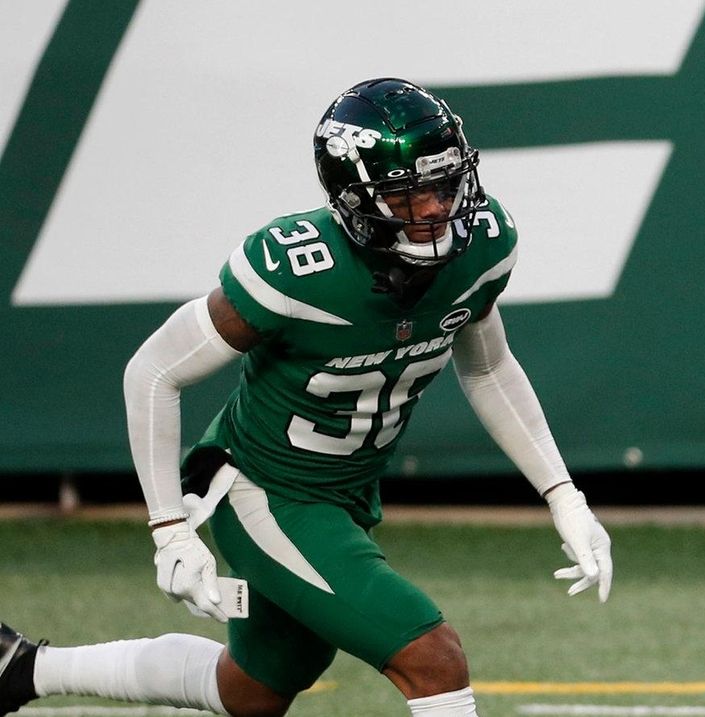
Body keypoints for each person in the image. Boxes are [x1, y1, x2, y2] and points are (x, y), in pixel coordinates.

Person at [0, 78, 613, 717]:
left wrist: (564, 496)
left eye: (444, 184)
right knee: (432, 658)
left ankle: (22, 670)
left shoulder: (480, 247)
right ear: (354, 198)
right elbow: (153, 372)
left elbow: (487, 369)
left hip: (346, 492)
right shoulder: (295, 269)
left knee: (254, 689)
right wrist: (169, 530)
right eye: (407, 196)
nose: (434, 209)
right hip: (266, 489)